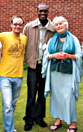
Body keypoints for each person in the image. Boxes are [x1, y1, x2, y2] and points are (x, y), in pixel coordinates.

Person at [42, 16, 82, 132]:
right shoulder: (52, 40)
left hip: (68, 73)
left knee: (69, 98)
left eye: (61, 23)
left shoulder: (73, 39)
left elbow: (79, 55)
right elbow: (46, 55)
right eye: (56, 24)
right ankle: (58, 120)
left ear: (66, 24)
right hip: (55, 73)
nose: (59, 26)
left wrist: (68, 56)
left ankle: (72, 123)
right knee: (56, 98)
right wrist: (53, 56)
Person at [23, 3, 55, 131]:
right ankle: (29, 119)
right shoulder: (29, 27)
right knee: (31, 94)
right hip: (32, 65)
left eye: (45, 11)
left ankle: (39, 117)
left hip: (46, 66)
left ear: (48, 12)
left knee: (42, 93)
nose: (43, 13)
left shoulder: (52, 29)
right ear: (37, 11)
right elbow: (21, 41)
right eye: (40, 11)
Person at [0, 15, 26, 132]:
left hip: (18, 76)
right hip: (5, 76)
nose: (17, 26)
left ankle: (9, 124)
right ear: (11, 25)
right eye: (15, 24)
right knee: (8, 105)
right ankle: (9, 129)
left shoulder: (24, 38)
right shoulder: (4, 36)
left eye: (20, 24)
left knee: (12, 105)